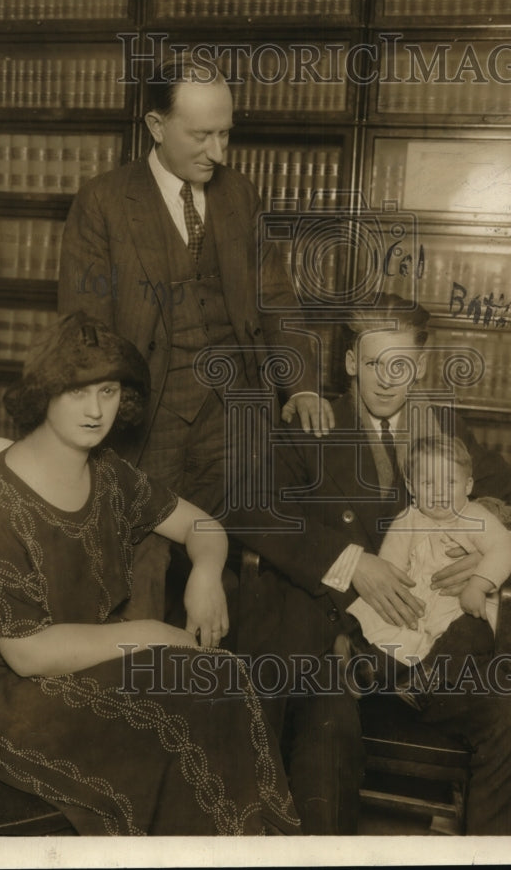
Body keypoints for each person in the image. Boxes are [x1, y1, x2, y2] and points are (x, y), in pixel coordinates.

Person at [0, 311, 300, 836]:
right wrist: (153, 634)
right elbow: (27, 653)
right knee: (184, 723)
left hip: (99, 662)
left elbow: (201, 524)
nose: (95, 410)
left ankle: (246, 847)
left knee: (220, 681)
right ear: (44, 393)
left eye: (108, 391)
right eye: (78, 392)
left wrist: (205, 573)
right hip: (17, 700)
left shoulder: (108, 473)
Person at [233, 293, 511, 835]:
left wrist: (491, 557)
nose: (387, 380)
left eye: (401, 365)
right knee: (327, 734)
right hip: (340, 651)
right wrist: (349, 561)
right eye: (374, 363)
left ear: (421, 366)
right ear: (350, 362)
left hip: (438, 656)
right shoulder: (312, 425)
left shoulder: (444, 429)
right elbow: (248, 506)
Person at [57, 53, 333, 621]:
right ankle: (144, 670)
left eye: (225, 134)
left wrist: (302, 385)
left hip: (235, 413)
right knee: (142, 553)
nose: (218, 153)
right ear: (157, 127)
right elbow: (86, 327)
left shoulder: (239, 195)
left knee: (255, 544)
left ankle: (224, 670)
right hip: (147, 414)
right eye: (202, 135)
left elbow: (276, 298)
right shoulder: (103, 201)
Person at [347, 434, 511, 709]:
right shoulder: (407, 520)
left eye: (450, 483)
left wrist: (478, 585)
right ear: (411, 486)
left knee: (467, 636)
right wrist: (394, 597)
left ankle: (428, 680)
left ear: (468, 485)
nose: (439, 493)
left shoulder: (476, 517)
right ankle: (370, 668)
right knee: (391, 630)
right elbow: (390, 566)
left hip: (461, 605)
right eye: (428, 484)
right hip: (417, 603)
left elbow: (503, 549)